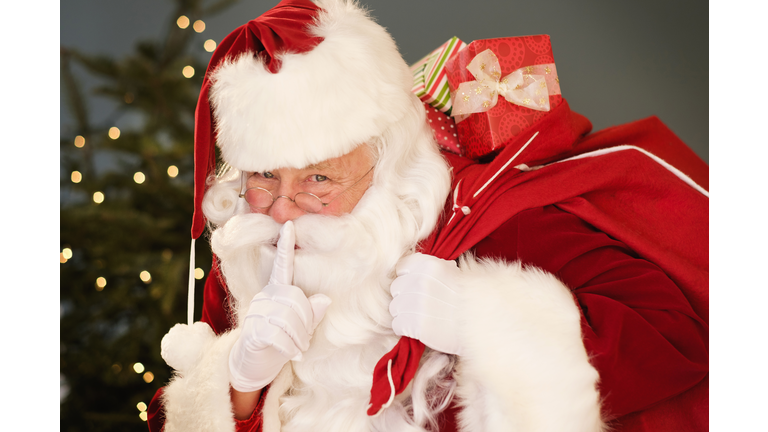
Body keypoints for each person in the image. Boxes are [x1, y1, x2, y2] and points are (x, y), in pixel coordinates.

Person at [148, 0, 709, 431]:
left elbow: (676, 332)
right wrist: (239, 383)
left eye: (319, 179)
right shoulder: (251, 253)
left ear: (385, 160)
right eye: (263, 177)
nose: (285, 209)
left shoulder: (485, 219)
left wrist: (484, 321)